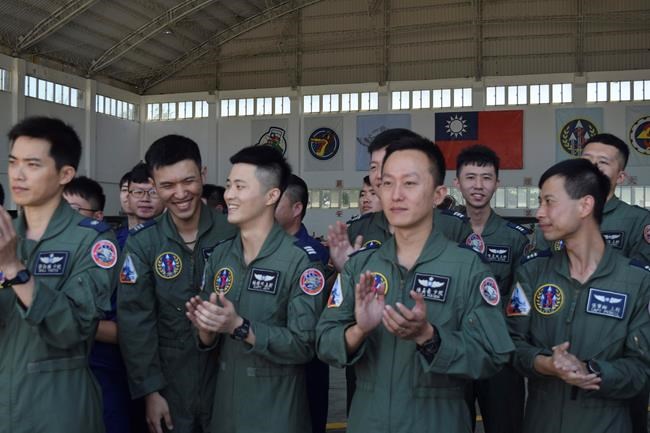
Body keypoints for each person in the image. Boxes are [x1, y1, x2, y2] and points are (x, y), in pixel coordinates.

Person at [317, 134, 514, 433]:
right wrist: (359, 330)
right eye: (387, 183)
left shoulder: (468, 268)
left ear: (438, 195)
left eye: (409, 183)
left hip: (438, 420)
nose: (396, 195)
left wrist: (429, 337)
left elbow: (492, 355)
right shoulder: (360, 266)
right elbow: (323, 341)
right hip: (368, 421)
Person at [186, 146, 326, 433]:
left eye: (240, 186)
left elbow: (304, 345)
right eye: (228, 185)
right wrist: (206, 328)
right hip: (224, 412)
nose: (229, 195)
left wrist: (240, 327)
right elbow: (204, 341)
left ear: (271, 196)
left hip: (275, 415)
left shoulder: (300, 261)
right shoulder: (221, 256)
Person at [507, 158, 650, 433]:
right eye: (539, 202)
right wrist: (546, 364)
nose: (539, 212)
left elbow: (642, 370)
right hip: (541, 422)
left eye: (549, 202)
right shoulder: (532, 273)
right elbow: (511, 345)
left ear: (585, 205)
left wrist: (592, 370)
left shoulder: (637, 282)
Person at [0, 116, 116, 433]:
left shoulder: (92, 241)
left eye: (32, 165)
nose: (17, 174)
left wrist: (14, 269)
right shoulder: (6, 234)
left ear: (65, 174)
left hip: (56, 409)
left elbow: (74, 328)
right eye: (13, 162)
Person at [118, 135, 236, 433]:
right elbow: (135, 321)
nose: (181, 193)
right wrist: (150, 391)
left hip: (227, 377)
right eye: (168, 185)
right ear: (154, 185)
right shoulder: (143, 243)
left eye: (188, 181)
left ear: (203, 175)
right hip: (170, 383)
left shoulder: (234, 233)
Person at [453, 145, 529, 433]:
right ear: (457, 182)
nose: (478, 185)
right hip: (455, 350)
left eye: (486, 178)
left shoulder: (515, 238)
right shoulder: (443, 233)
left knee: (505, 424)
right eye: (470, 177)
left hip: (500, 352)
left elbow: (521, 298)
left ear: (497, 183)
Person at [64, 175, 140, 433]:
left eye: (73, 210)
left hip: (104, 371)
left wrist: (60, 320)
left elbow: (126, 330)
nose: (65, 219)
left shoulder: (112, 256)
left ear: (97, 217)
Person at [274, 173, 330, 433]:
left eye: (277, 200)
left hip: (305, 361)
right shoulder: (264, 247)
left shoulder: (312, 255)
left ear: (297, 209)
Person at [127, 162, 165, 226]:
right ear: (128, 197)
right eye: (138, 192)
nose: (145, 199)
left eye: (153, 192)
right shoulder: (117, 231)